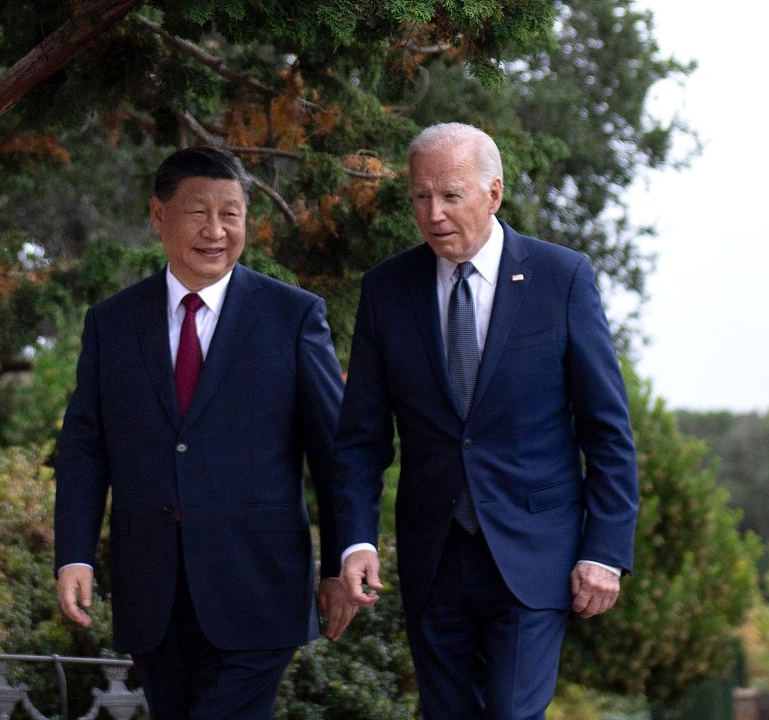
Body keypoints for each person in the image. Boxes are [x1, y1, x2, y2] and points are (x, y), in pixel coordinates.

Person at [333, 123, 639, 719]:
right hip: (433, 556)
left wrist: (605, 549)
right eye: (421, 197)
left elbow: (607, 430)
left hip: (534, 552)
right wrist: (356, 538)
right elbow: (361, 439)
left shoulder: (562, 278)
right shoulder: (387, 290)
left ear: (493, 193)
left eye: (451, 195)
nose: (434, 214)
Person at [53, 146, 355, 720]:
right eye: (198, 213)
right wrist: (74, 556)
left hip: (260, 587)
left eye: (231, 214)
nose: (215, 231)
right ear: (159, 216)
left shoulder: (293, 317)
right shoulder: (112, 323)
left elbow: (335, 454)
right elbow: (85, 451)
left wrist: (340, 564)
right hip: (152, 591)